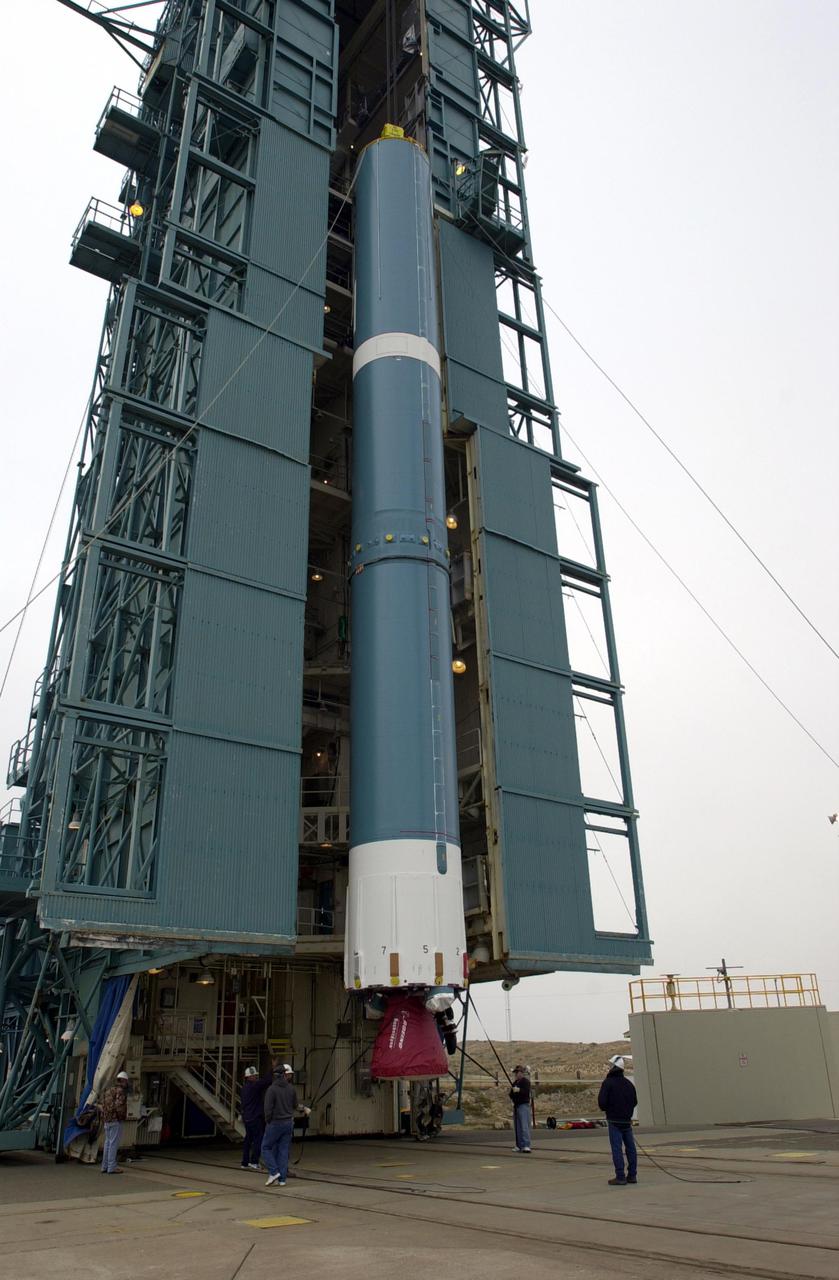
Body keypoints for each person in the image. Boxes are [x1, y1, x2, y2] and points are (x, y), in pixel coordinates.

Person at [261, 1063, 309, 1187]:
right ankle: (282, 1179)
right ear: (285, 1075)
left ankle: (273, 1172)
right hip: (288, 1123)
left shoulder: (271, 1089)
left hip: (275, 1123)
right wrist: (303, 1108)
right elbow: (295, 1105)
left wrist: (268, 1121)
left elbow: (267, 1109)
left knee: (265, 1148)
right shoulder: (291, 1088)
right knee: (283, 1150)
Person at [597, 1054, 638, 1185]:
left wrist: (610, 1108)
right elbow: (634, 1101)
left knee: (617, 1148)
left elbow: (602, 1102)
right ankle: (632, 1175)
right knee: (630, 1147)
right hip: (626, 1121)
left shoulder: (608, 1083)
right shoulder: (628, 1084)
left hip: (614, 1121)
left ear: (613, 1067)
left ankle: (620, 1176)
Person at [240, 1064, 272, 1170]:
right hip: (255, 1117)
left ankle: (244, 1162)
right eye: (254, 1076)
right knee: (258, 1139)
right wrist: (272, 1068)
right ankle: (254, 1161)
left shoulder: (244, 1088)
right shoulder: (254, 1086)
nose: (256, 1077)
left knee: (248, 1139)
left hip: (247, 1117)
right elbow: (266, 1081)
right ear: (249, 1077)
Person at [100, 1070, 130, 1174]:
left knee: (107, 1143)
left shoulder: (108, 1090)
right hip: (115, 1120)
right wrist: (121, 1117)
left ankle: (104, 1166)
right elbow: (119, 1106)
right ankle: (112, 1167)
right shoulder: (120, 1091)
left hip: (107, 1120)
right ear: (124, 1081)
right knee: (113, 1144)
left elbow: (103, 1104)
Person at [509, 1064, 532, 1153]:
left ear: (522, 1073)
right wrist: (513, 1093)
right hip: (516, 1106)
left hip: (523, 1106)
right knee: (517, 1127)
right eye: (516, 1072)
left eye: (518, 1072)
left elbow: (526, 1092)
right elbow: (511, 1094)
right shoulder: (515, 1083)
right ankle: (519, 1145)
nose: (517, 1074)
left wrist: (518, 1090)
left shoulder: (525, 1082)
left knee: (524, 1126)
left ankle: (526, 1145)